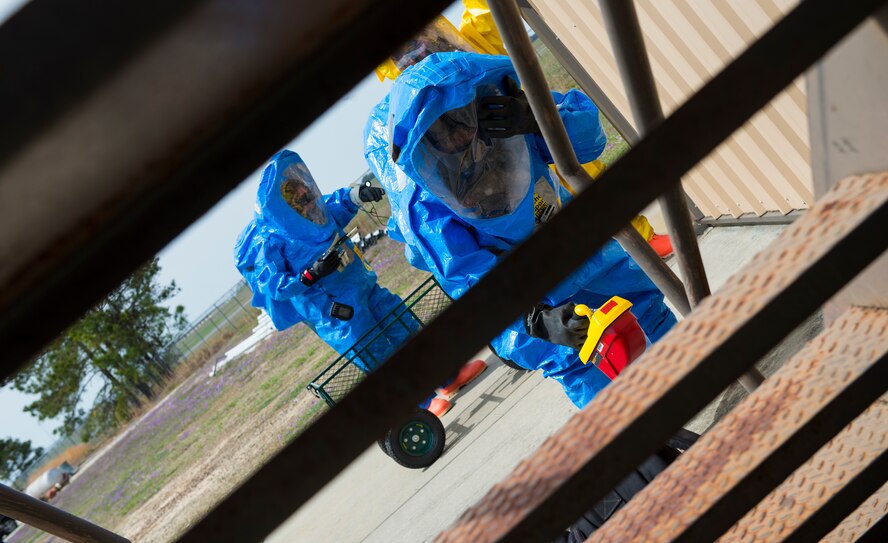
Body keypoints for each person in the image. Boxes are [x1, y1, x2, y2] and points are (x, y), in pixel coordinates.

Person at [364, 52, 677, 408]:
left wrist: (538, 119)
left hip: (573, 242)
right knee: (574, 361)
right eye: (444, 129)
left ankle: (692, 371)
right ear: (425, 144)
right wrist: (536, 319)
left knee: (642, 301)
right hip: (518, 287)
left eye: (462, 117)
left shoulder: (504, 116)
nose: (461, 135)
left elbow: (589, 142)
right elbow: (469, 278)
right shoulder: (426, 207)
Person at [234, 150, 485, 416]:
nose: (308, 199)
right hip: (338, 314)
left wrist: (357, 195)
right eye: (301, 199)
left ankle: (447, 377)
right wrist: (311, 274)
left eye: (306, 193)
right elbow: (274, 285)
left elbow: (335, 205)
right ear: (286, 206)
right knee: (379, 354)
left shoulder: (315, 215)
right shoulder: (271, 243)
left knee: (405, 327)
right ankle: (422, 404)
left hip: (364, 286)